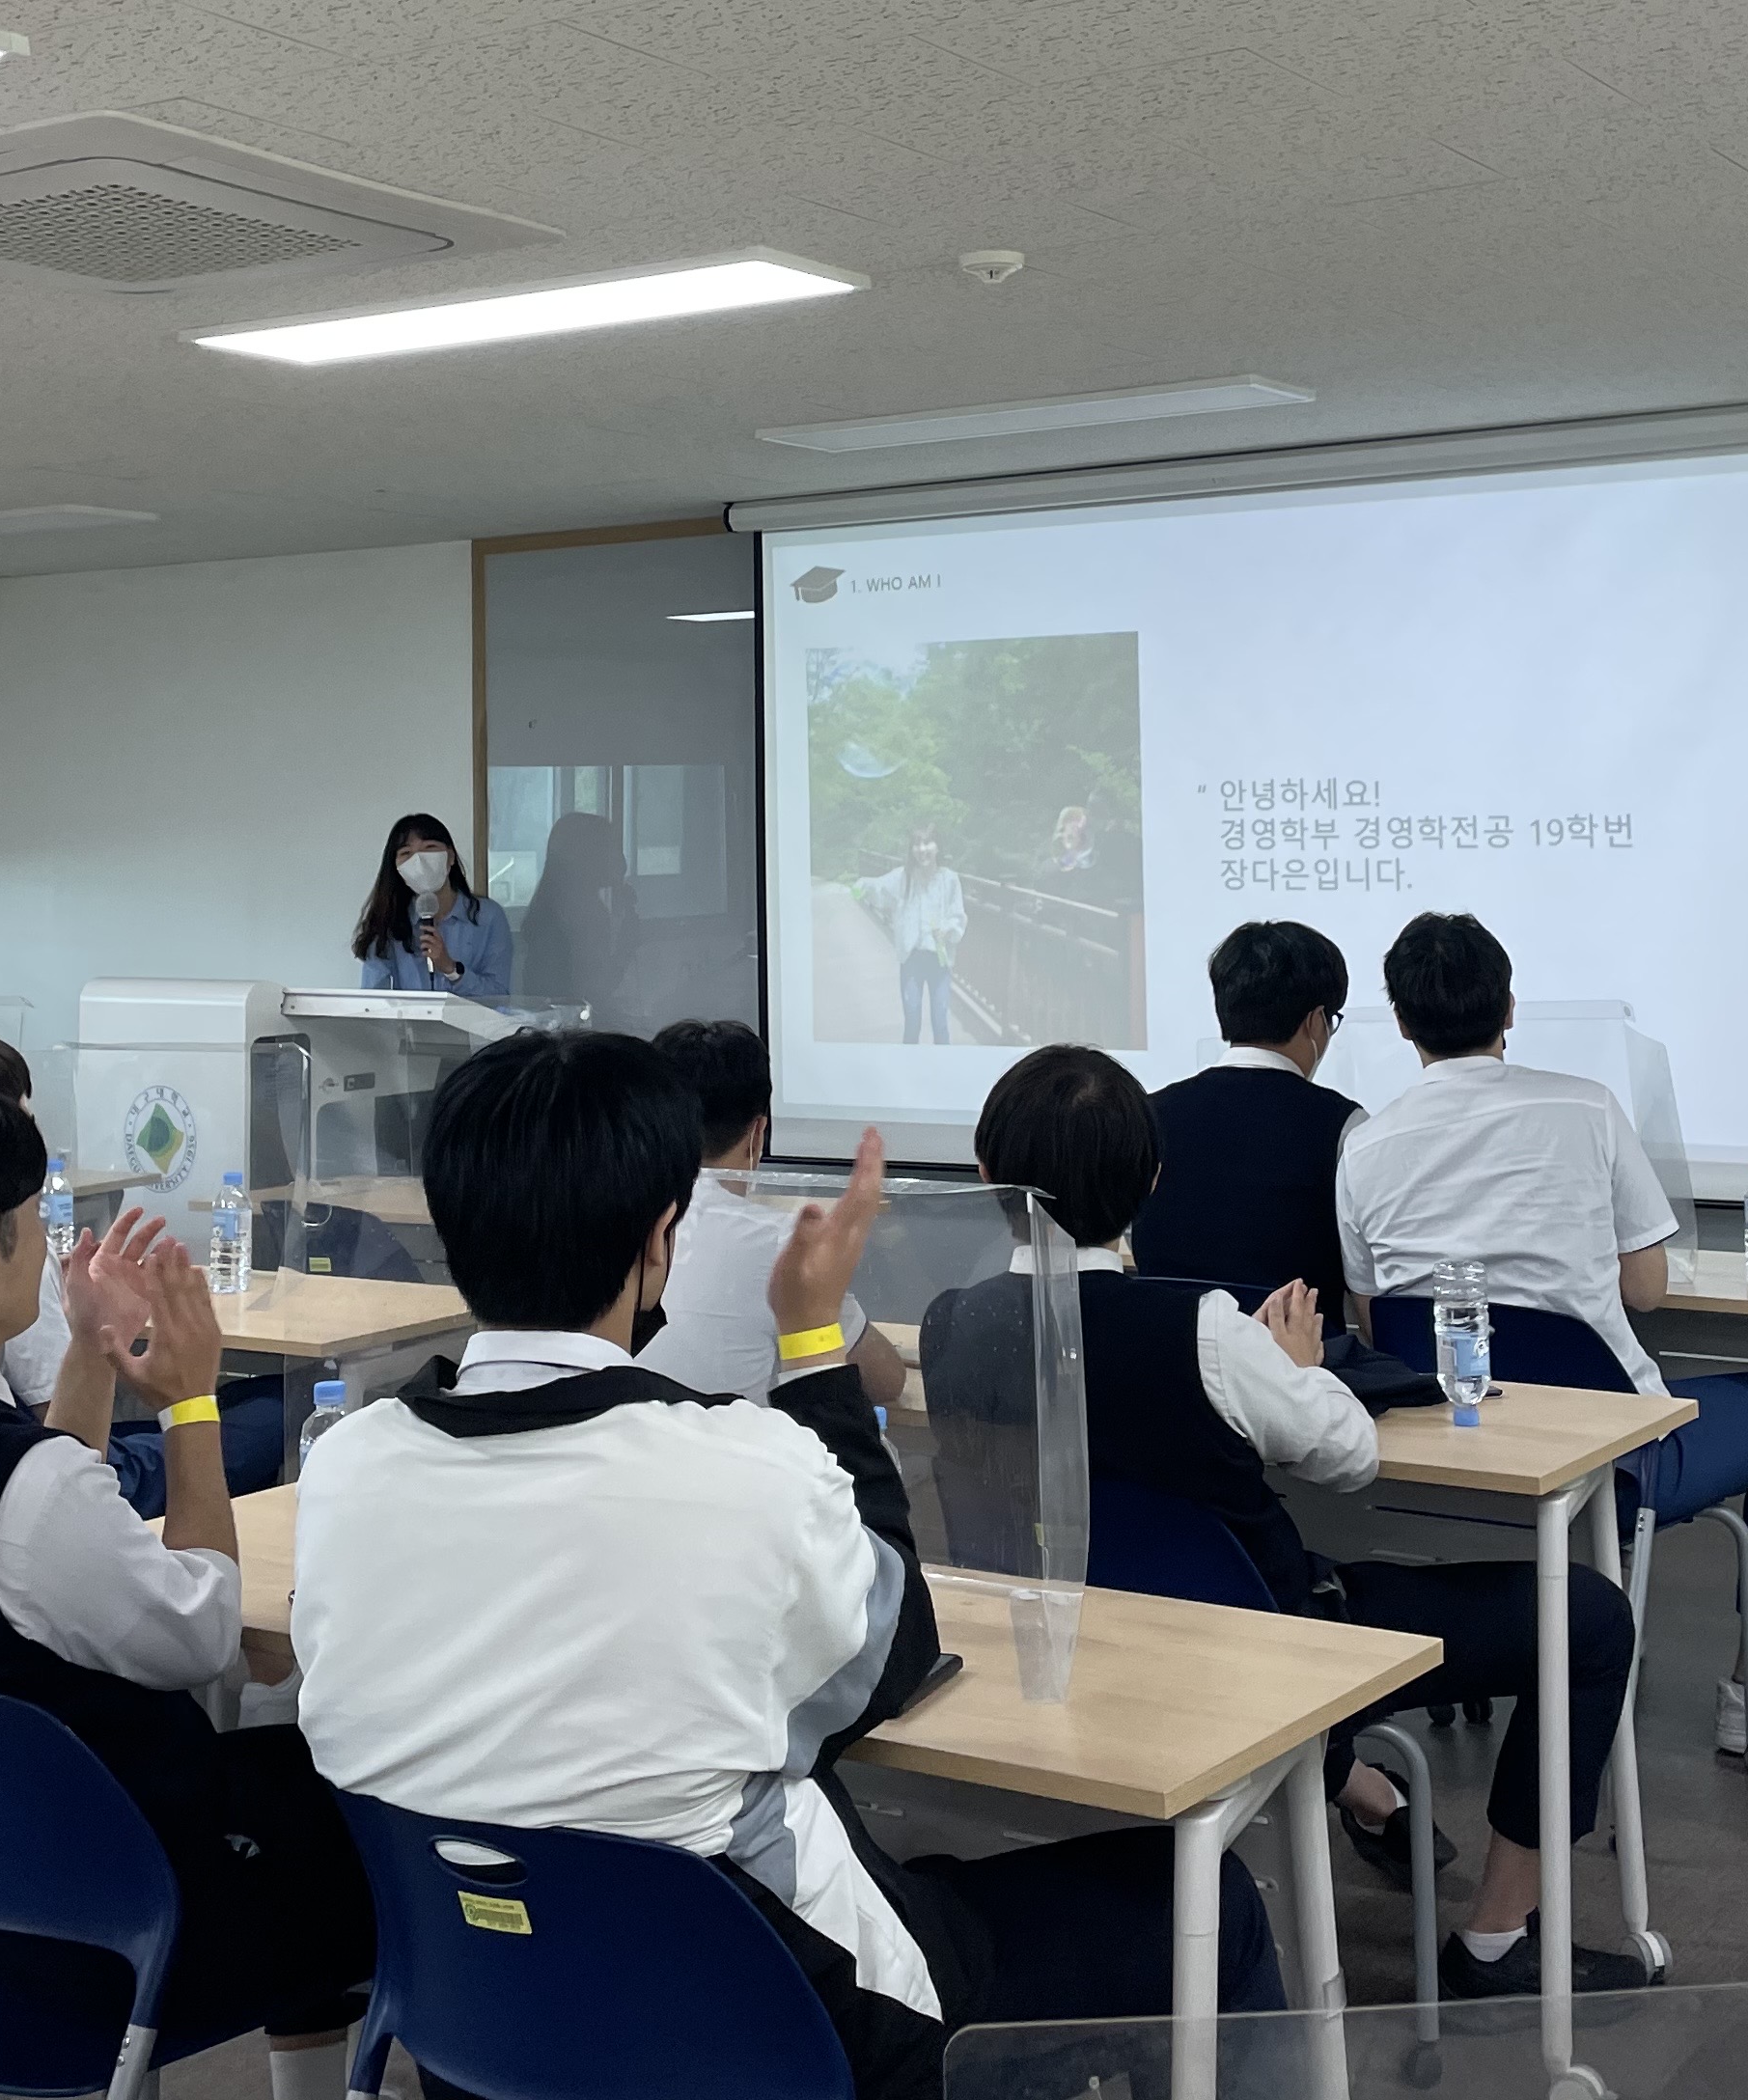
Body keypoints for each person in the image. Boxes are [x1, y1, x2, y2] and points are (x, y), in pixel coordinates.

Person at [291, 1030, 1281, 2100]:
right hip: (781, 2032)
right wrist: (812, 1347)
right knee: (1208, 1906)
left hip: (493, 2029)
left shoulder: (345, 1466)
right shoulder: (739, 1469)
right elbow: (891, 1659)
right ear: (660, 1239)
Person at [941, 1046, 1645, 2002]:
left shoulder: (952, 1324)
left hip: (1073, 1647)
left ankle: (1358, 1786)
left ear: (986, 1171)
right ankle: (1494, 1940)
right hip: (1256, 1661)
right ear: (1152, 1182)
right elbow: (1348, 1458)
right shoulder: (1203, 1330)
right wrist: (1302, 1372)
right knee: (1589, 1621)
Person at [0, 1085, 371, 2088]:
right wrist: (189, 1406)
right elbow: (203, 1634)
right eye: (33, 1221)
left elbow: (50, 1524)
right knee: (359, 1803)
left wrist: (94, 1354)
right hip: (145, 1912)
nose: (51, 1248)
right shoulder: (21, 1487)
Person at [1336, 913, 1748, 1763]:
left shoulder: (1365, 1144)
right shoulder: (1585, 1108)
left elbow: (1376, 1321)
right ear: (1508, 1008)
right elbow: (1645, 1289)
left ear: (1401, 1023)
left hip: (1447, 1472)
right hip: (1607, 1466)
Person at [0, 1033, 293, 1508]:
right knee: (278, 1406)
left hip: (47, 1462)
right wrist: (180, 1394)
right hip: (82, 1470)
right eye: (24, 1112)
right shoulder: (0, 1246)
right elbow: (68, 1443)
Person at [634, 1020, 904, 1410]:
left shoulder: (615, 1222)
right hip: (738, 1446)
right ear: (758, 1133)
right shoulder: (781, 1244)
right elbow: (886, 1380)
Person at [1133, 921, 1359, 1331]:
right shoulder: (1345, 1127)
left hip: (1170, 1351)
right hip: (1302, 1362)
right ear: (1316, 1022)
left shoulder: (1145, 1115)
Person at [350, 814, 512, 998]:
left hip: (472, 1017)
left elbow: (499, 995)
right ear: (396, 867)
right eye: (406, 853)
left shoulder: (487, 916)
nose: (419, 861)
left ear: (450, 857)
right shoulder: (386, 919)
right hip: (409, 1017)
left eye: (430, 848)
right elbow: (372, 998)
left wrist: (451, 969)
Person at [513, 811, 635, 1021]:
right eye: (611, 848)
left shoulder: (586, 909)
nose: (621, 860)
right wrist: (625, 945)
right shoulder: (560, 921)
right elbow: (592, 993)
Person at [854, 825, 964, 1044]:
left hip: (939, 960)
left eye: (927, 843)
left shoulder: (949, 880)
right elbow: (878, 887)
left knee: (940, 1021)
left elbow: (957, 915)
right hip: (911, 959)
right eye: (917, 844)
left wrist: (948, 929)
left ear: (938, 847)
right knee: (912, 1021)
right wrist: (859, 887)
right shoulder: (903, 877)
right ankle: (910, 1063)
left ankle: (944, 1063)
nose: (922, 849)